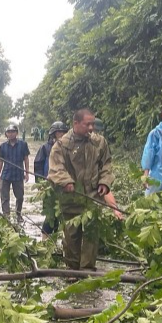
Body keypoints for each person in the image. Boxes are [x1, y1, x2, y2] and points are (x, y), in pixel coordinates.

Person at [47, 109, 114, 271]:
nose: (91, 128)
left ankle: (87, 269)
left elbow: (107, 164)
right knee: (71, 235)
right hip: (71, 197)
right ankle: (72, 268)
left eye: (92, 124)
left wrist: (105, 182)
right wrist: (66, 182)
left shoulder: (99, 142)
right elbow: (56, 168)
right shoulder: (62, 145)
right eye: (87, 124)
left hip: (93, 197)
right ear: (76, 123)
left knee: (91, 234)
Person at [33, 121, 69, 239]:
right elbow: (38, 166)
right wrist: (40, 184)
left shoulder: (70, 147)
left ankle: (65, 244)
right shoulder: (45, 148)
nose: (61, 134)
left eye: (63, 132)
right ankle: (46, 242)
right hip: (49, 187)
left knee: (66, 215)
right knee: (50, 215)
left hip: (66, 187)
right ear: (53, 134)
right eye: (59, 132)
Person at [0, 124, 30, 222]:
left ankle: (18, 215)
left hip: (18, 175)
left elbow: (26, 159)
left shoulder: (23, 145)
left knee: (20, 197)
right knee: (4, 197)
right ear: (6, 134)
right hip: (6, 175)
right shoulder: (3, 146)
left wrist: (27, 173)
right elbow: (0, 161)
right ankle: (6, 216)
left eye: (13, 132)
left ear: (16, 133)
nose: (11, 134)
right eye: (9, 132)